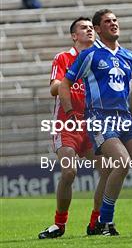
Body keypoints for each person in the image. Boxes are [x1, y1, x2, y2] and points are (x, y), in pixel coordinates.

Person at [58, 9, 132, 235]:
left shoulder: (129, 56)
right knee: (121, 162)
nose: (113, 24)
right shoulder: (89, 55)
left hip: (125, 118)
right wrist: (70, 112)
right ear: (98, 29)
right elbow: (64, 84)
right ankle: (105, 220)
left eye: (115, 20)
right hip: (100, 118)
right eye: (107, 22)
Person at [38, 18, 109, 239]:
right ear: (74, 36)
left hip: (92, 126)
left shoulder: (100, 59)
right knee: (69, 172)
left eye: (91, 27)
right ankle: (59, 224)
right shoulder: (64, 58)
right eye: (83, 28)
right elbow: (54, 89)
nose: (89, 30)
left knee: (108, 169)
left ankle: (95, 222)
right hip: (67, 125)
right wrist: (73, 76)